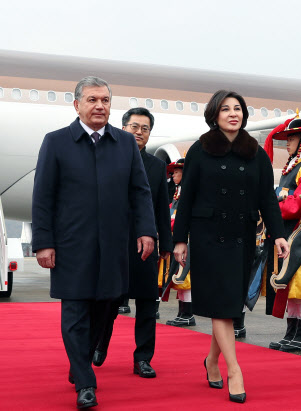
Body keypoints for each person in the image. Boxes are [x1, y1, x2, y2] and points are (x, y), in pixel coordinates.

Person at [32, 76, 156, 409]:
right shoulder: (56, 142)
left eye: (104, 100)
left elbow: (140, 192)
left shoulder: (125, 143)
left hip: (115, 245)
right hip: (71, 245)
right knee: (74, 311)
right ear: (77, 105)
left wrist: (147, 230)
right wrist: (44, 242)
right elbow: (43, 196)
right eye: (91, 100)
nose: (99, 105)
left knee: (106, 307)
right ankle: (86, 382)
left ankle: (80, 361)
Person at [172, 90, 289, 403]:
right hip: (209, 235)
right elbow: (187, 198)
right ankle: (234, 370)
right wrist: (179, 240)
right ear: (215, 115)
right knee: (224, 306)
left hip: (241, 235)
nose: (233, 114)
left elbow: (268, 196)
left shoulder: (256, 152)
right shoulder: (200, 150)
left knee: (229, 305)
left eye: (237, 109)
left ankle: (212, 361)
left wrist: (278, 233)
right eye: (225, 109)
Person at [92, 107, 172, 379]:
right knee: (109, 302)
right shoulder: (104, 158)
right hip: (113, 246)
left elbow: (162, 208)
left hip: (145, 247)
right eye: (134, 126)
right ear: (122, 128)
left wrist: (167, 246)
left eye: (145, 128)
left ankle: (143, 359)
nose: (139, 132)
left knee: (148, 304)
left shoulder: (157, 167)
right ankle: (100, 345)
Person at [263, 115, 301, 352]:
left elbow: (298, 205)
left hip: (300, 234)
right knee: (288, 284)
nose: (287, 143)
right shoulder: (292, 166)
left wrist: (271, 209)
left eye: (291, 138)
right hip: (287, 232)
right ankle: (291, 334)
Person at [164, 159, 197, 327]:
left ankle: (187, 313)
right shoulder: (179, 190)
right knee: (179, 276)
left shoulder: (188, 190)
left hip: (188, 238)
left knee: (185, 277)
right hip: (179, 237)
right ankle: (182, 312)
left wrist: (169, 220)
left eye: (177, 172)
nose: (173, 175)